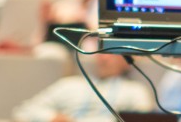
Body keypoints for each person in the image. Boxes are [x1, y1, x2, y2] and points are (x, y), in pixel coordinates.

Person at [11, 51, 152, 122]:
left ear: (127, 61)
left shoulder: (135, 91)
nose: (104, 58)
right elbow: (24, 111)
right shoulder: (70, 85)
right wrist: (52, 117)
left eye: (112, 54)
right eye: (102, 53)